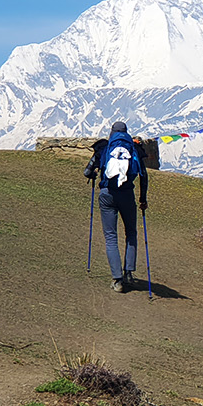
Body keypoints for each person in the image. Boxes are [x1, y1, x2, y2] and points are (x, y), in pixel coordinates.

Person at [84, 121, 148, 293]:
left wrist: (95, 172)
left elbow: (87, 172)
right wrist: (143, 199)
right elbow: (144, 176)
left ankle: (117, 280)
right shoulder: (134, 149)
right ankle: (129, 273)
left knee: (111, 236)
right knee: (131, 233)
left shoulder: (104, 148)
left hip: (107, 194)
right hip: (127, 194)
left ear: (111, 132)